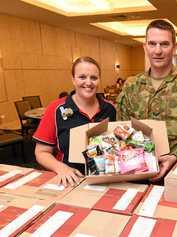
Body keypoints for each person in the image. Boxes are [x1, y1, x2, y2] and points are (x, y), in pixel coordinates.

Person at [117, 19, 177, 182]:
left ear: (174, 47)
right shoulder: (131, 85)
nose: (157, 50)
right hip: (136, 170)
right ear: (145, 47)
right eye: (152, 44)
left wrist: (174, 156)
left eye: (164, 44)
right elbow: (121, 129)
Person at [33, 56, 116, 187]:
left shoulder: (109, 109)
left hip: (105, 178)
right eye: (82, 77)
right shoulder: (56, 109)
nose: (88, 82)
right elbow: (41, 152)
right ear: (73, 79)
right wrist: (62, 168)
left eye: (94, 78)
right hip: (70, 179)